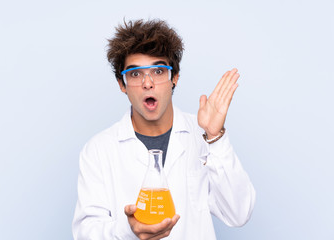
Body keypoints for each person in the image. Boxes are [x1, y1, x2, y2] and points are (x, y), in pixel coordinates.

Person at [72, 19, 255, 240]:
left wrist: (215, 137)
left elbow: (239, 213)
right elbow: (85, 233)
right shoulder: (98, 150)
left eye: (158, 71)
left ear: (174, 78)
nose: (148, 83)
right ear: (122, 84)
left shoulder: (202, 136)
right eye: (136, 74)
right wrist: (128, 231)